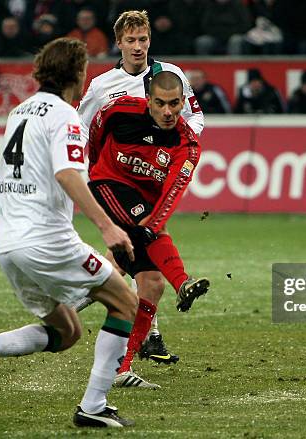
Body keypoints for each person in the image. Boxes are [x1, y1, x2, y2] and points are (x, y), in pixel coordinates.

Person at [0, 38, 138, 429]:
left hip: (8, 246)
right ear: (77, 73)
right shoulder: (64, 115)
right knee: (126, 301)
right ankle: (94, 406)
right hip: (47, 240)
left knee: (68, 330)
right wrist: (108, 227)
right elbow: (67, 174)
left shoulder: (18, 112)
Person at [77, 10, 206, 372]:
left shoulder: (170, 76)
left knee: (131, 258)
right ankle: (141, 337)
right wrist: (97, 171)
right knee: (145, 247)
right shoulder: (103, 86)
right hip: (117, 182)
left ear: (150, 40)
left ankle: (87, 293)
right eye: (130, 41)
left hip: (152, 179)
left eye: (143, 40)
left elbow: (196, 118)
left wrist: (172, 144)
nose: (138, 47)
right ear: (118, 43)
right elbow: (83, 130)